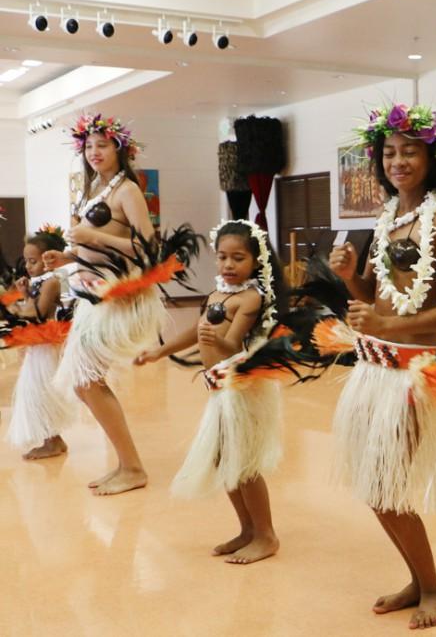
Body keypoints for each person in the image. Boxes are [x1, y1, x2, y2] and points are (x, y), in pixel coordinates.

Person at [328, 103, 436, 629]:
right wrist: (351, 278)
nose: (397, 161)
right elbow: (375, 297)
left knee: (387, 486)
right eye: (389, 153)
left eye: (409, 152)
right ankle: (418, 579)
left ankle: (434, 587)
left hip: (413, 371)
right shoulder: (387, 218)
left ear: (431, 158)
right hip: (374, 367)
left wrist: (389, 325)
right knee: (377, 487)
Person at [50, 113, 199, 496]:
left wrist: (93, 238)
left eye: (102, 145)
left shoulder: (127, 190)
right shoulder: (96, 189)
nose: (94, 152)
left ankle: (132, 467)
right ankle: (126, 463)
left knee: (87, 381)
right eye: (89, 146)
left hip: (115, 297)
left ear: (120, 149)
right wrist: (67, 257)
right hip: (92, 293)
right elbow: (94, 245)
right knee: (84, 384)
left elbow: (149, 248)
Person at [135, 220, 285, 565]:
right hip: (218, 388)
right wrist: (160, 351)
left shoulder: (251, 297)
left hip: (239, 388)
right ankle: (247, 529)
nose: (228, 265)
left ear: (256, 261)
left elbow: (232, 344)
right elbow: (196, 330)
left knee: (244, 462)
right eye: (222, 257)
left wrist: (215, 338)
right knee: (224, 459)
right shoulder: (217, 294)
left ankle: (266, 535)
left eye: (238, 258)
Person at [3, 226, 75, 459]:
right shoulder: (38, 281)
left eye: (32, 261)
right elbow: (31, 307)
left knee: (41, 389)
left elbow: (39, 312)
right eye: (26, 261)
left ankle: (52, 441)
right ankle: (53, 439)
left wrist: (15, 309)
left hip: (46, 343)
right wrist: (24, 295)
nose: (27, 266)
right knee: (35, 389)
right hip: (37, 343)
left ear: (49, 259)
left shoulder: (52, 281)